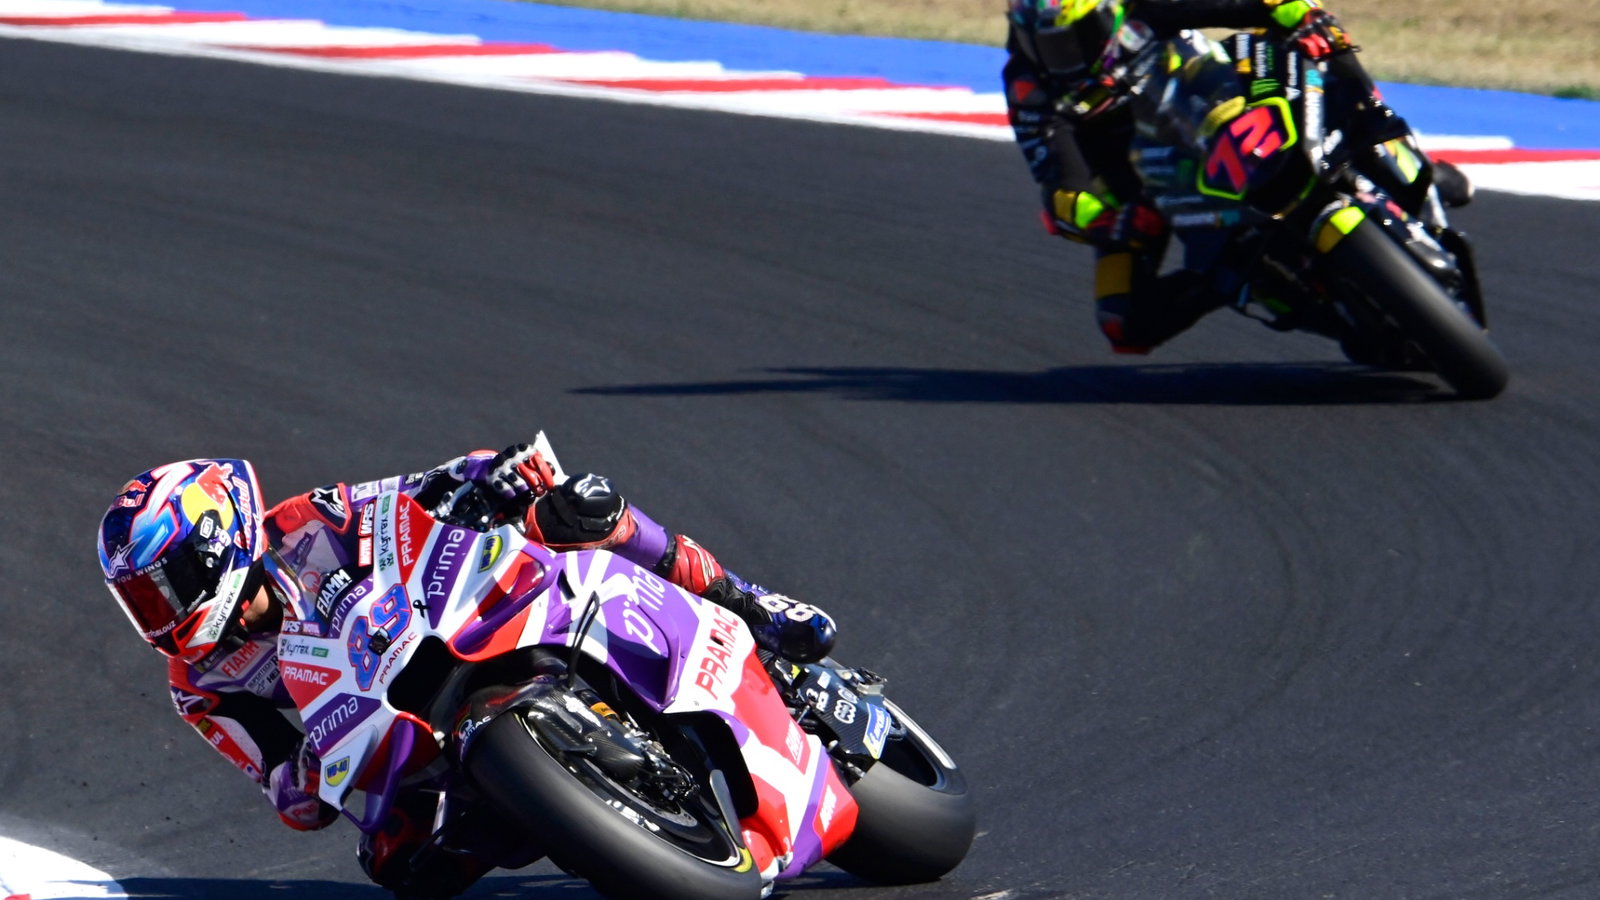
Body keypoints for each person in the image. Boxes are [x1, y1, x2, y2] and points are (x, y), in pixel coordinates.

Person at [96, 445, 837, 898]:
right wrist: (304, 776)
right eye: (139, 600)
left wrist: (486, 481)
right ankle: (565, 815)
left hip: (447, 625)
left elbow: (412, 494)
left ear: (218, 540)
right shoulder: (198, 684)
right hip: (380, 729)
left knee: (575, 504)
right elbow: (284, 794)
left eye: (166, 583)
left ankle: (749, 601)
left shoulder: (307, 523)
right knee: (398, 870)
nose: (157, 613)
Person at [1004, 0, 1475, 354]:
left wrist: (1303, 16)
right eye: (1047, 44)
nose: (1065, 56)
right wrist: (1101, 220)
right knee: (1123, 324)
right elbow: (1059, 180)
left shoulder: (1146, 6)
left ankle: (1394, 145)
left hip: (1221, 99)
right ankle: (1231, 278)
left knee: (1317, 42)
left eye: (1079, 35)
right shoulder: (1030, 87)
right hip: (1145, 184)